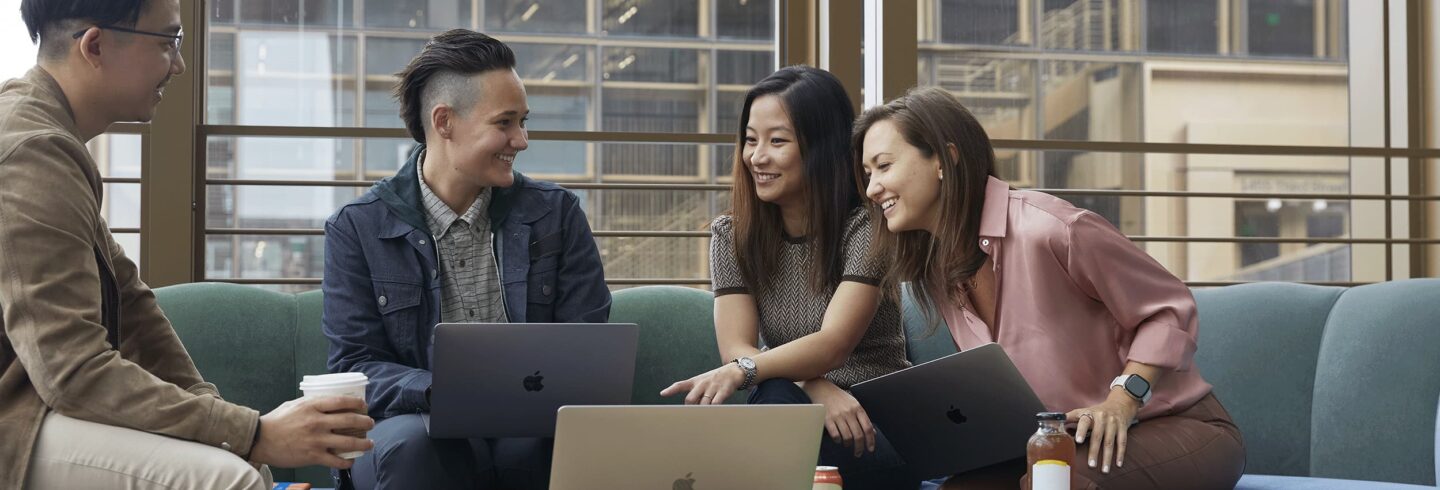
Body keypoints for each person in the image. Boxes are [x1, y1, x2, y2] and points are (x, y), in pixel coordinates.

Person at [0, 1, 375, 489]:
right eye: (166, 42)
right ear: (95, 45)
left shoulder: (53, 138)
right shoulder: (33, 151)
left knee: (241, 463)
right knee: (226, 478)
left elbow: (134, 307)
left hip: (38, 406)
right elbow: (72, 372)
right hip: (17, 420)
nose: (178, 65)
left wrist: (228, 423)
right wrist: (252, 432)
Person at [854, 86, 1245, 489]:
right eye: (867, 174)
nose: (872, 189)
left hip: (1174, 424)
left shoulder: (1053, 229)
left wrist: (1122, 401)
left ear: (945, 158)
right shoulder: (938, 271)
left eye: (883, 166)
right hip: (1057, 442)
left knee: (1057, 480)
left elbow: (1168, 309)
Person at [322, 29, 611, 490]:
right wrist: (441, 390)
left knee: (549, 443)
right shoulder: (357, 228)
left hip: (531, 419)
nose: (522, 140)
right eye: (505, 123)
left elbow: (589, 346)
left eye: (523, 121)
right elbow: (354, 365)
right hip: (415, 420)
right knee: (416, 447)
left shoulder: (556, 214)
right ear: (444, 122)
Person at [660, 66, 915, 489]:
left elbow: (833, 344)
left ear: (822, 147)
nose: (757, 157)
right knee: (776, 403)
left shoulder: (867, 227)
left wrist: (752, 371)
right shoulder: (731, 235)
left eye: (777, 141)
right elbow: (736, 350)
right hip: (792, 405)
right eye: (751, 139)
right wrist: (812, 384)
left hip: (875, 423)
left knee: (771, 411)